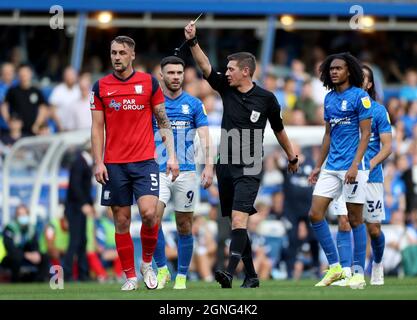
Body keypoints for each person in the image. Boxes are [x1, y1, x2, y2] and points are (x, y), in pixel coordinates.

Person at [184, 20, 299, 289]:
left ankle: (229, 272)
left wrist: (292, 156)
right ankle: (252, 275)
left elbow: (280, 130)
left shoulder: (267, 99)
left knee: (239, 219)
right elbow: (205, 67)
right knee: (238, 224)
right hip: (225, 165)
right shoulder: (225, 87)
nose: (227, 72)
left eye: (232, 69)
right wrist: (193, 41)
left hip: (249, 166)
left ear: (246, 72)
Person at [91, 36, 179, 291]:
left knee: (150, 214)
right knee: (122, 221)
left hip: (144, 162)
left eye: (121, 53)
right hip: (114, 164)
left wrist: (171, 155)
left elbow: (163, 121)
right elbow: (97, 128)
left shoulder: (149, 83)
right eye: (113, 53)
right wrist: (99, 162)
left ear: (132, 55)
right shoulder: (100, 87)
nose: (116, 57)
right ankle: (130, 276)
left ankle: (147, 264)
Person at [308, 52, 373, 289]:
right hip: (331, 167)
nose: (334, 71)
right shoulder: (328, 99)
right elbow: (328, 134)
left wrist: (356, 164)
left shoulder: (360, 97)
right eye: (331, 69)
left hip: (354, 166)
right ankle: (335, 268)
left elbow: (365, 134)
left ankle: (357, 273)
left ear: (349, 71)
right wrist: (317, 165)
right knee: (315, 214)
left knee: (355, 219)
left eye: (339, 68)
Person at [152, 56, 213, 290]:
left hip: (187, 172)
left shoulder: (195, 104)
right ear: (162, 76)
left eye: (179, 72)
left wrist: (209, 166)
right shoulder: (154, 105)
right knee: (151, 219)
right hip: (158, 170)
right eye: (171, 73)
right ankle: (162, 270)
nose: (176, 77)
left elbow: (205, 137)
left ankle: (181, 277)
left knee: (185, 226)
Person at [330, 65, 392, 286]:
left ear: (370, 84)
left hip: (371, 176)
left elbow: (387, 146)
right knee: (344, 221)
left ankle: (377, 263)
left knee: (373, 228)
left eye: (363, 78)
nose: (359, 81)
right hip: (343, 173)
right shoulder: (340, 107)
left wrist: (368, 166)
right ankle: (349, 273)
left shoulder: (378, 111)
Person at [63, 144, 95, 282]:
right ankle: (67, 274)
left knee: (82, 240)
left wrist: (89, 204)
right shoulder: (79, 162)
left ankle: (83, 274)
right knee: (75, 241)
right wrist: (84, 204)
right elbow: (75, 186)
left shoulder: (83, 162)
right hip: (75, 208)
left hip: (79, 207)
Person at [1, 204, 49, 282]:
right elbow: (11, 249)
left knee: (44, 257)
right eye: (19, 214)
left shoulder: (31, 229)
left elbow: (34, 245)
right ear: (16, 216)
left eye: (24, 214)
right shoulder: (10, 228)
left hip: (27, 257)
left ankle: (38, 282)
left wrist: (35, 253)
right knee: (16, 258)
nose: (22, 217)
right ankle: (15, 282)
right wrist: (25, 255)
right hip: (11, 258)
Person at [1, 64, 49, 136]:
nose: (24, 76)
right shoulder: (13, 90)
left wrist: (37, 124)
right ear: (18, 75)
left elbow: (43, 108)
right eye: (21, 73)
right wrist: (8, 121)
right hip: (17, 133)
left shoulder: (36, 91)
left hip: (33, 131)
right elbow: (4, 106)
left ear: (30, 73)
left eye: (25, 73)